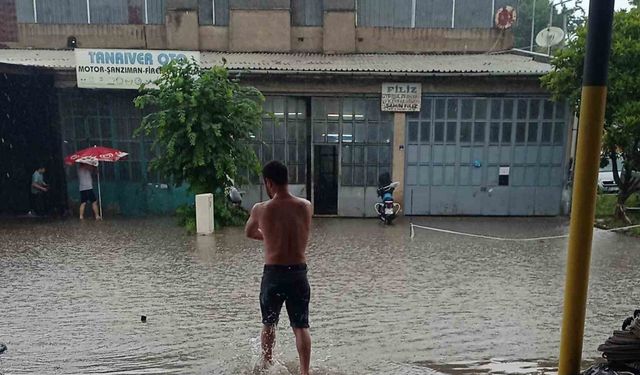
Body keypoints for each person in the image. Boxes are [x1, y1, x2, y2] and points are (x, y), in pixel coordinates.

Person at [245, 161, 313, 375]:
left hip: (273, 274)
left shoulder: (261, 209)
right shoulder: (306, 206)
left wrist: (268, 237)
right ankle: (304, 372)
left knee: (269, 323)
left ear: (269, 182)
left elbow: (249, 232)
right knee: (301, 326)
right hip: (298, 273)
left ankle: (267, 365)